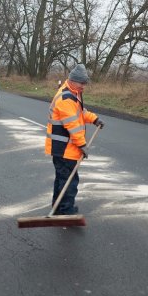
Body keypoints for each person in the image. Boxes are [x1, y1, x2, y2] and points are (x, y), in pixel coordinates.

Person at [45, 63, 105, 215]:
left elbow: (80, 113)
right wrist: (82, 145)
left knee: (62, 180)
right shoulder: (66, 99)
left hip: (62, 149)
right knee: (69, 182)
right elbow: (73, 125)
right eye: (81, 83)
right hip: (65, 149)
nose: (84, 86)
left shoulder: (72, 94)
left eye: (85, 83)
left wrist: (94, 119)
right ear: (72, 80)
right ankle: (66, 210)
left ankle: (58, 208)